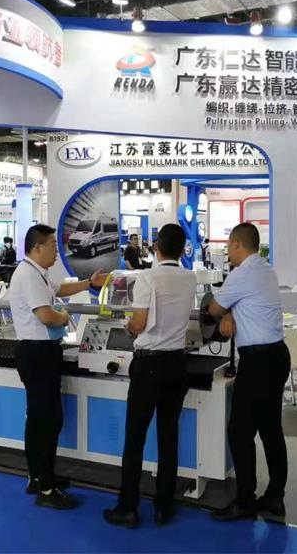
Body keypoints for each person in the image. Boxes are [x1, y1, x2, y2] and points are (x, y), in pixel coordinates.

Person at [103, 224, 197, 529]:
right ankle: (163, 506)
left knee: (135, 439)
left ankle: (127, 507)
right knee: (169, 438)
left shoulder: (147, 278)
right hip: (177, 364)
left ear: (156, 247)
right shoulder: (190, 278)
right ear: (182, 250)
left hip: (148, 366)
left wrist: (129, 327)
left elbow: (139, 323)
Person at [9, 224, 107, 511]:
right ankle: (47, 489)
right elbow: (47, 315)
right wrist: (65, 317)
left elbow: (60, 289)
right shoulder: (28, 275)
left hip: (39, 352)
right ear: (37, 247)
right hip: (37, 353)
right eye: (53, 245)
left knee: (39, 418)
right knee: (47, 421)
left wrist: (89, 282)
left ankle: (38, 477)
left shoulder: (36, 273)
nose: (57, 251)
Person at [204, 222, 289, 522]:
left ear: (237, 244)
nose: (228, 251)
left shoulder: (241, 274)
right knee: (270, 429)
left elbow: (213, 308)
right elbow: (233, 305)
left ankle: (245, 501)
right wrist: (231, 311)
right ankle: (275, 498)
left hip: (258, 362)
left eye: (229, 245)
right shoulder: (266, 269)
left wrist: (225, 311)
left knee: (240, 431)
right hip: (277, 355)